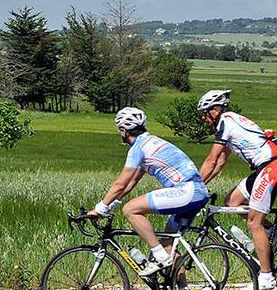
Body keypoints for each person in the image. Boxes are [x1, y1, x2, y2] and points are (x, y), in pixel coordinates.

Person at [87, 107, 209, 276]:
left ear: (124, 130)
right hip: (197, 193)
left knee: (130, 210)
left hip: (185, 192)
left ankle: (160, 257)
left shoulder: (138, 148)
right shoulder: (151, 142)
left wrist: (99, 208)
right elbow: (130, 185)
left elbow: (121, 184)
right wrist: (110, 206)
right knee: (168, 243)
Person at [197, 90, 277, 290]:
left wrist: (192, 186)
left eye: (205, 113)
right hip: (263, 168)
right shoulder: (230, 122)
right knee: (231, 201)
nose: (204, 119)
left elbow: (211, 160)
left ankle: (266, 277)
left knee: (253, 222)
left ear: (215, 110)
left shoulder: (226, 123)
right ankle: (274, 231)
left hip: (270, 168)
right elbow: (220, 162)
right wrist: (201, 185)